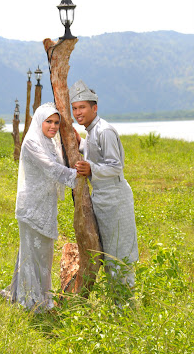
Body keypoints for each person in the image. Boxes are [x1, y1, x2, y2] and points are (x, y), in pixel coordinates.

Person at [1, 103, 77, 311]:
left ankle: (21, 292)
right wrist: (78, 176)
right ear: (39, 121)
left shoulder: (50, 141)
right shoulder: (32, 142)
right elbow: (51, 168)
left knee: (41, 253)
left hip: (46, 205)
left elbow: (61, 160)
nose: (53, 126)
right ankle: (32, 300)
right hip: (31, 207)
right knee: (32, 253)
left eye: (56, 122)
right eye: (49, 122)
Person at [70, 80, 138, 288]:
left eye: (82, 107)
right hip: (102, 199)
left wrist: (91, 168)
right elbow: (95, 152)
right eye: (74, 108)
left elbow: (115, 166)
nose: (78, 112)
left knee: (119, 253)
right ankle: (117, 303)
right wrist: (80, 143)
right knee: (108, 251)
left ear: (94, 108)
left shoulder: (104, 130)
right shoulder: (92, 132)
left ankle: (125, 305)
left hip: (115, 198)